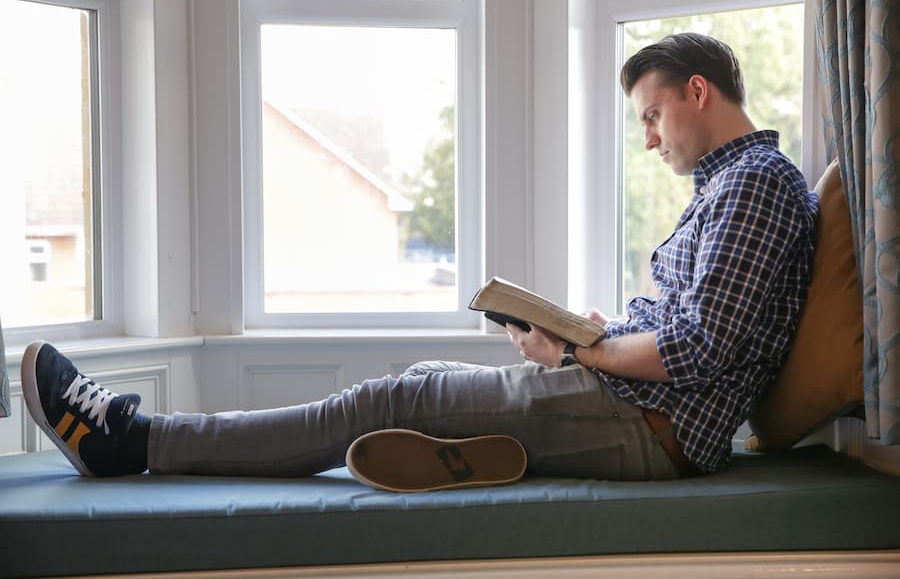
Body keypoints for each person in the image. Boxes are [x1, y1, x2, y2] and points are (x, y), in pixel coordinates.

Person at [20, 33, 818, 491]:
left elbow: (700, 348)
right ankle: (469, 454)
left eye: (652, 116)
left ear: (699, 91)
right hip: (628, 397)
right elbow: (690, 328)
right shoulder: (731, 187)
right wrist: (583, 335)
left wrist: (578, 345)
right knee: (420, 381)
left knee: (391, 396)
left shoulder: (755, 186)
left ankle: (136, 439)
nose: (649, 138)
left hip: (650, 425)